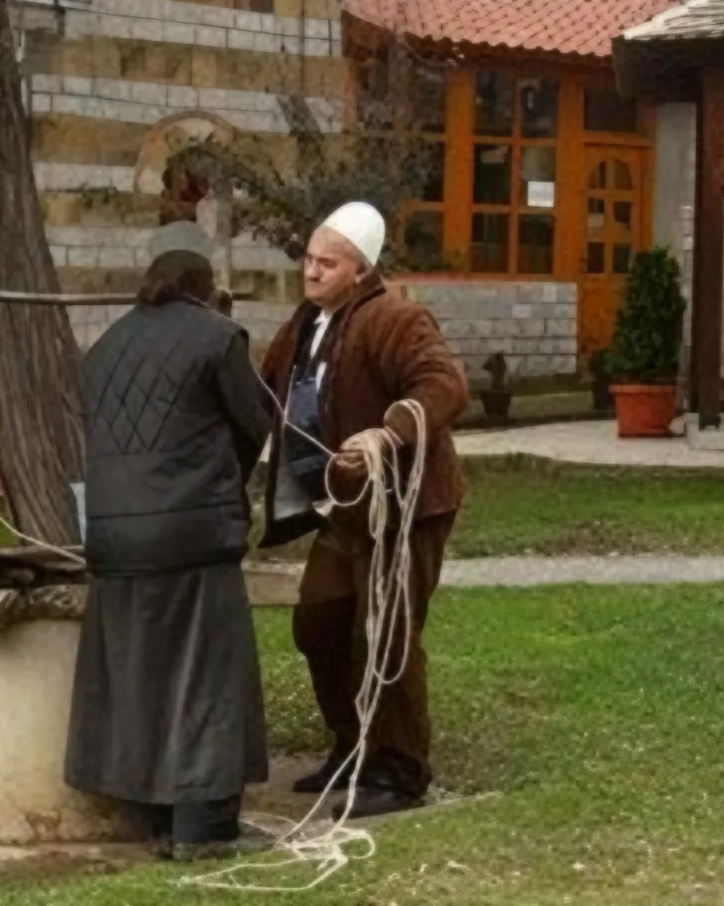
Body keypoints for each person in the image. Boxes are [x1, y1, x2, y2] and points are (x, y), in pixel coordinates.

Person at [64, 231, 276, 860]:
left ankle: (151, 818)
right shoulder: (218, 338)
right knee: (207, 678)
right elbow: (258, 424)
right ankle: (204, 828)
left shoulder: (102, 350)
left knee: (139, 677)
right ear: (208, 290)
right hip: (190, 534)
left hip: (113, 535)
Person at [259, 202, 468, 818]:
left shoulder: (397, 320)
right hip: (343, 509)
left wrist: (386, 434)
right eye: (310, 259)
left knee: (386, 633)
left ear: (360, 270)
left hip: (405, 507)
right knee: (319, 626)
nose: (313, 271)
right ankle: (352, 747)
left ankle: (399, 770)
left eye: (329, 263)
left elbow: (443, 385)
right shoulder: (303, 324)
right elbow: (264, 392)